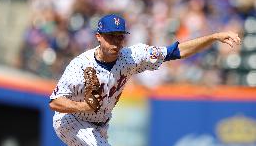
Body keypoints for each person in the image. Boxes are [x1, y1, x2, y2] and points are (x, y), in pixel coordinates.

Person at [49, 14, 241, 146]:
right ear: (98, 36)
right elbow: (55, 102)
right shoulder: (80, 65)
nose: (115, 41)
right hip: (70, 120)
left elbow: (175, 51)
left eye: (119, 37)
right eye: (110, 37)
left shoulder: (132, 56)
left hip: (100, 125)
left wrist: (214, 37)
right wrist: (83, 106)